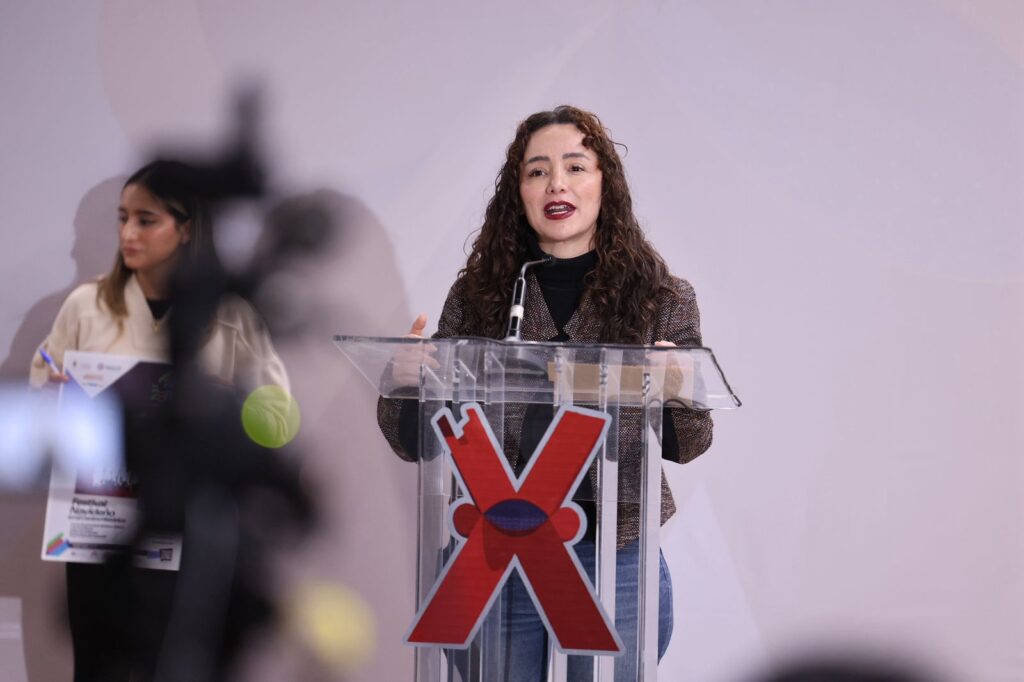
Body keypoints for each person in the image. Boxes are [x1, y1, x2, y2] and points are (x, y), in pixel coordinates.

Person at [377, 105, 714, 680]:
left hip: (613, 549)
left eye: (575, 167)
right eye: (537, 171)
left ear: (605, 183)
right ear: (519, 192)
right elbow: (418, 442)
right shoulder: (479, 295)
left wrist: (679, 386)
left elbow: (690, 443)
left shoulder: (661, 298)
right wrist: (404, 382)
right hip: (499, 543)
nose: (556, 183)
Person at [30, 160, 289, 681]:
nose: (128, 233)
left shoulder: (231, 313)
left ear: (186, 228)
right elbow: (41, 409)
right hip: (100, 531)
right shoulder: (86, 306)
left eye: (146, 220)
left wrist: (226, 407)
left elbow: (277, 417)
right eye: (123, 218)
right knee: (99, 669)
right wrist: (59, 398)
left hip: (195, 533)